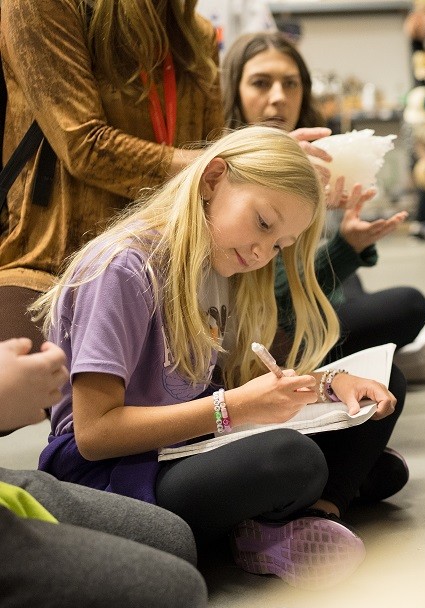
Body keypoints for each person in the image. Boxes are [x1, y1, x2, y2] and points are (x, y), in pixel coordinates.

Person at [31, 126, 406, 589]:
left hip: (188, 446)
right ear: (212, 181)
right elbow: (94, 434)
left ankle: (307, 514)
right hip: (110, 474)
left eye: (278, 246)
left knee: (384, 391)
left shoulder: (216, 264)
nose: (260, 252)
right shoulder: (124, 269)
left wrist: (327, 387)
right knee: (292, 460)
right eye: (263, 224)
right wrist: (236, 409)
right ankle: (283, 517)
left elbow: (240, 382)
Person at [0, 1, 334, 350]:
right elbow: (84, 146)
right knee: (37, 386)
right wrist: (236, 159)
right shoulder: (44, 5)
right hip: (49, 265)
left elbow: (213, 169)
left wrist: (262, 171)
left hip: (172, 271)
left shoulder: (197, 34)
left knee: (310, 375)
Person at [220, 30, 425, 380]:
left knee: (350, 287)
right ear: (234, 90)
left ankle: (379, 357)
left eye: (291, 84)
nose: (278, 98)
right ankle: (385, 359)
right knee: (408, 307)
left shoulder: (314, 160)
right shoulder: (223, 172)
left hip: (293, 311)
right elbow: (270, 306)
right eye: (261, 83)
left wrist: (345, 240)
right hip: (263, 335)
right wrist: (344, 249)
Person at [0, 338, 207, 608]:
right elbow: (95, 433)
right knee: (170, 596)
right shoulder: (117, 286)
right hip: (94, 460)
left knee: (174, 540)